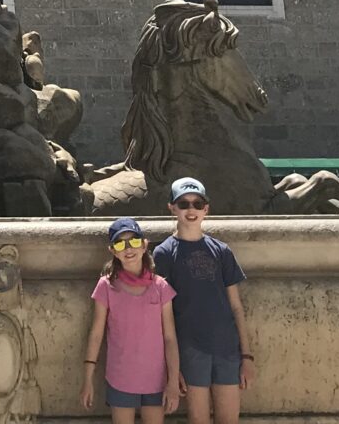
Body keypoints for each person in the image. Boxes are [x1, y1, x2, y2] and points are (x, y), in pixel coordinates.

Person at [152, 176, 256, 424]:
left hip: (227, 349)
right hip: (190, 350)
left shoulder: (221, 250)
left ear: (206, 209)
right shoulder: (164, 253)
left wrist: (247, 356)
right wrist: (172, 368)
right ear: (172, 208)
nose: (191, 210)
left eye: (197, 204)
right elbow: (161, 316)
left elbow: (236, 307)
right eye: (184, 204)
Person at [82, 216, 181, 424]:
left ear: (144, 245)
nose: (128, 249)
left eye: (134, 241)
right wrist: (87, 379)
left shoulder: (161, 286)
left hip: (156, 380)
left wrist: (172, 381)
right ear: (113, 250)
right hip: (121, 378)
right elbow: (96, 333)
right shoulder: (105, 286)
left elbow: (170, 338)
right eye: (120, 243)